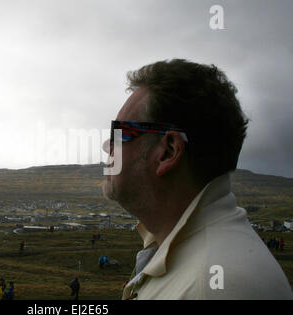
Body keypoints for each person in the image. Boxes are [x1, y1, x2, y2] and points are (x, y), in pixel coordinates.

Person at [102, 59, 292, 300]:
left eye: (119, 133)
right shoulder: (196, 256)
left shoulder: (214, 288)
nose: (108, 145)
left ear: (168, 151)